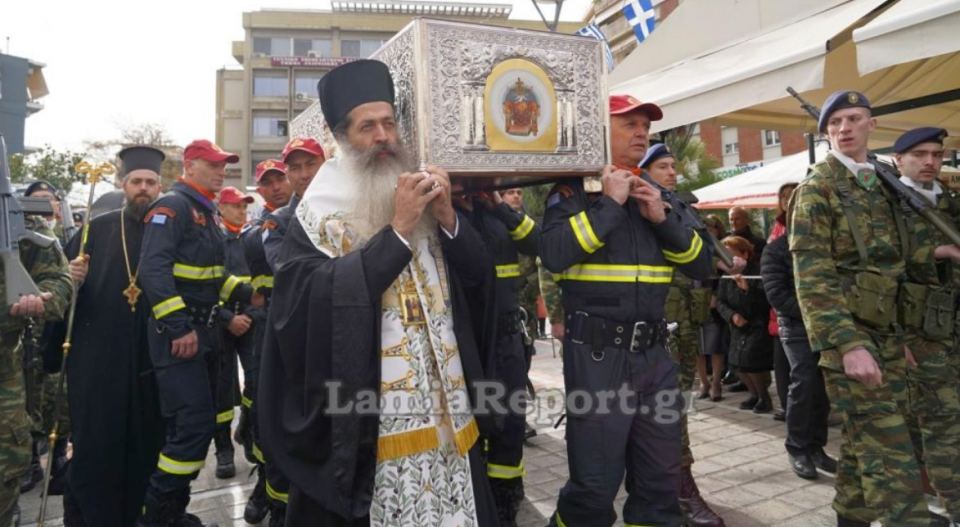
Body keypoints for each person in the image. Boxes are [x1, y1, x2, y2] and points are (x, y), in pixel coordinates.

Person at [257, 59, 499, 526]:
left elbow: (477, 279)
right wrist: (398, 233)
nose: (383, 136)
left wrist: (448, 219)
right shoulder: (318, 211)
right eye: (367, 126)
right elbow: (302, 306)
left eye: (389, 123)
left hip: (447, 405)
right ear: (341, 137)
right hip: (374, 417)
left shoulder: (418, 185)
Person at [540, 94, 713, 527]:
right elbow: (555, 254)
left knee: (660, 483)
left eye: (645, 126)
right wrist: (609, 204)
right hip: (599, 357)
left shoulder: (659, 196)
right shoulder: (573, 192)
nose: (641, 133)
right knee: (594, 487)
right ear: (602, 132)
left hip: (655, 356)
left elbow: (701, 265)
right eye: (629, 124)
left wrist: (661, 218)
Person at [789, 90, 959, 526]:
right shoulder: (818, 188)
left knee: (865, 442)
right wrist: (848, 346)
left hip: (890, 333)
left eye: (853, 119)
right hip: (851, 336)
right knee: (891, 451)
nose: (844, 128)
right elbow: (812, 274)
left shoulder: (880, 182)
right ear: (826, 132)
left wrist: (935, 257)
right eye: (835, 122)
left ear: (872, 125)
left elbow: (893, 263)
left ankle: (852, 519)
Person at [137, 139, 257, 527]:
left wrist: (248, 293)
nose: (222, 171)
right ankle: (158, 517)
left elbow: (211, 277)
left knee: (196, 425)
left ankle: (174, 511)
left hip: (204, 334)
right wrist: (178, 327)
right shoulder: (172, 208)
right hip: (180, 337)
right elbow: (153, 271)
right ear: (189, 166)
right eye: (212, 164)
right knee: (191, 427)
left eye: (223, 165)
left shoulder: (206, 213)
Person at [58, 145, 167, 526]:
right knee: (97, 443)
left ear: (160, 186)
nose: (143, 188)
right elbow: (62, 294)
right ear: (123, 184)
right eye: (136, 181)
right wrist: (71, 279)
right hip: (99, 360)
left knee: (147, 441)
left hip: (150, 359)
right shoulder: (96, 229)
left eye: (150, 182)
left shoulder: (169, 229)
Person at [639, 142, 724, 527]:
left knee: (679, 402)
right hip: (663, 321)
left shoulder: (680, 207)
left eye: (673, 166)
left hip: (687, 319)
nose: (672, 172)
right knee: (670, 407)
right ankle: (681, 489)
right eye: (663, 167)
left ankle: (667, 482)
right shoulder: (646, 209)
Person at [456, 189, 539, 526]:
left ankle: (506, 505)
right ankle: (475, 503)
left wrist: (501, 206)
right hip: (466, 341)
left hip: (507, 339)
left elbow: (537, 243)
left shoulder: (500, 214)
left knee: (511, 425)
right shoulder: (443, 213)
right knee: (471, 425)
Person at [893, 126, 960, 521]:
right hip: (918, 333)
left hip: (953, 327)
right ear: (899, 160)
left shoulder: (949, 202)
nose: (930, 161)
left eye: (936, 154)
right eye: (919, 154)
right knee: (941, 425)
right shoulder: (886, 206)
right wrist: (937, 252)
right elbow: (877, 266)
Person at [0, 211, 72, 526]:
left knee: (6, 466)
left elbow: (59, 278)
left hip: (5, 369)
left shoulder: (19, 222)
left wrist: (42, 298)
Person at [760, 196, 835, 481]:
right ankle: (797, 448)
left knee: (824, 386)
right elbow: (777, 294)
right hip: (796, 326)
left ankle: (816, 446)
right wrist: (813, 313)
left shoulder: (823, 245)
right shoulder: (776, 249)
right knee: (805, 382)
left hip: (826, 325)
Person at [238, 159, 292, 526]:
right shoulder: (256, 230)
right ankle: (266, 488)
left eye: (280, 179)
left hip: (304, 326)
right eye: (267, 183)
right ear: (260, 190)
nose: (276, 187)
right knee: (262, 407)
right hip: (268, 328)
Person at [20, 180, 71, 494]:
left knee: (57, 398)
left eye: (47, 199)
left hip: (58, 328)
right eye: (36, 199)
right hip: (29, 329)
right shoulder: (21, 232)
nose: (43, 204)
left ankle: (59, 460)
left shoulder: (67, 235)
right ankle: (29, 463)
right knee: (28, 399)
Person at [212, 186, 259, 481]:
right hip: (221, 323)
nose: (242, 211)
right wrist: (228, 318)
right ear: (221, 209)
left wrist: (249, 315)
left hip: (250, 321)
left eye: (244, 206)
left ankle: (247, 430)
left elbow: (259, 283)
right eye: (236, 206)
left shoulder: (252, 238)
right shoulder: (213, 240)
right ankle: (223, 450)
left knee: (256, 380)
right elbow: (206, 284)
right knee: (222, 387)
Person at [716, 236, 773, 413]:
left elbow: (762, 302)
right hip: (736, 326)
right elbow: (720, 301)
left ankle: (764, 397)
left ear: (745, 254)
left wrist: (746, 290)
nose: (728, 259)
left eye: (731, 254)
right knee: (736, 364)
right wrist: (732, 315)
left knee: (751, 362)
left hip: (756, 325)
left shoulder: (757, 272)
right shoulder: (726, 275)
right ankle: (753, 394)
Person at [262, 138, 325, 272]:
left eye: (310, 164)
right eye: (295, 168)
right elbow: (287, 272)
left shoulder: (348, 206)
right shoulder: (278, 222)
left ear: (325, 164)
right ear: (288, 174)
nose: (304, 175)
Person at [767, 182, 798, 421]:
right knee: (787, 368)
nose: (788, 201)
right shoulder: (777, 235)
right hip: (786, 316)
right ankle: (790, 409)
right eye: (784, 197)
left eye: (792, 196)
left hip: (809, 314)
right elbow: (775, 288)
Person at [699, 215, 728, 400]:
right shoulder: (692, 245)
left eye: (712, 227)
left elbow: (728, 274)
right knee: (696, 346)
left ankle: (716, 382)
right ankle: (703, 382)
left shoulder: (721, 248)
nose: (708, 231)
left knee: (716, 345)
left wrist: (717, 295)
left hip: (714, 301)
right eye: (705, 228)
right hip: (693, 299)